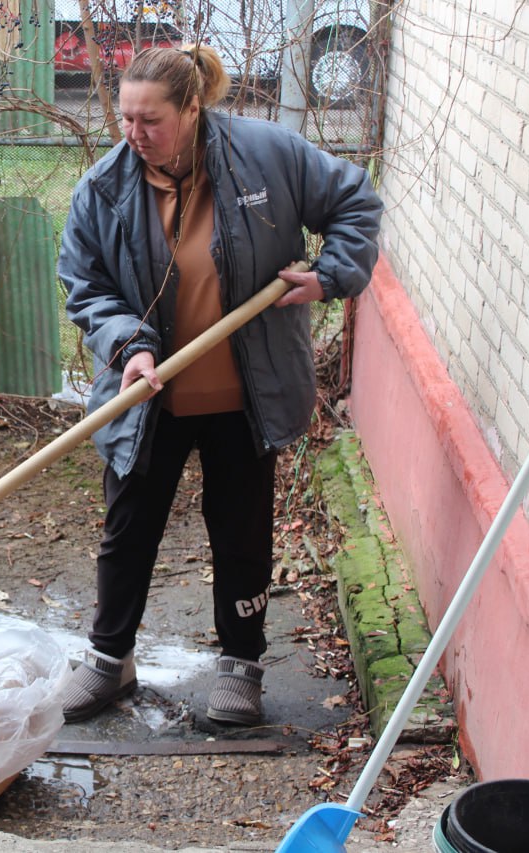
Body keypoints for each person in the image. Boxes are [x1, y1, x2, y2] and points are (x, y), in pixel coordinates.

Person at [57, 46, 382, 726]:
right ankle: (109, 657)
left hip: (246, 392)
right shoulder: (106, 189)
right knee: (128, 529)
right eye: (124, 117)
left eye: (151, 119)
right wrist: (130, 347)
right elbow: (84, 284)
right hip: (149, 396)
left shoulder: (265, 156)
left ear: (192, 108)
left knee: (240, 533)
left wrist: (329, 276)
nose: (133, 133)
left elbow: (355, 200)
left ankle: (242, 663)